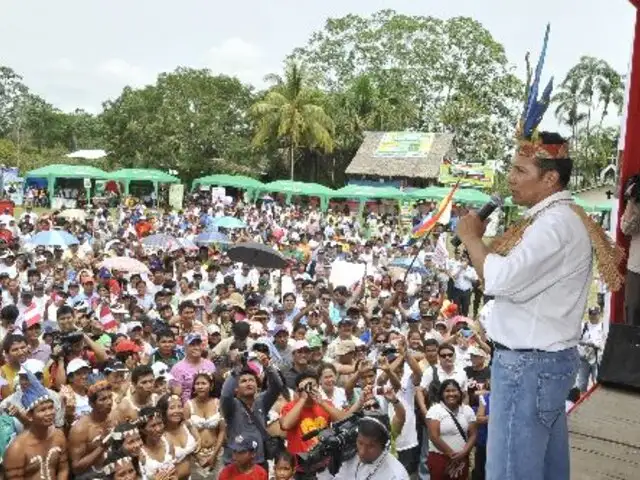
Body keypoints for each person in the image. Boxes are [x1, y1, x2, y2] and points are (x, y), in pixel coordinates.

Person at [456, 128, 623, 478]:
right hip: (540, 366)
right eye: (512, 168)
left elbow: (499, 280)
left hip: (527, 369)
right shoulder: (558, 218)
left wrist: (472, 238)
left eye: (520, 171)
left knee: (511, 472)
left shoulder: (553, 225)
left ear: (549, 178)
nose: (511, 178)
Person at [3, 371, 70, 479]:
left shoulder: (59, 436)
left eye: (50, 407)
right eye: (43, 410)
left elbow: (63, 468)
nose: (49, 413)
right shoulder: (17, 449)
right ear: (30, 415)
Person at [426, 379, 477, 480]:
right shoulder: (435, 410)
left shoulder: (467, 410)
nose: (451, 394)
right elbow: (433, 436)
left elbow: (473, 435)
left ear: (460, 392)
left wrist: (464, 453)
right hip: (440, 459)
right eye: (447, 391)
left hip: (462, 459)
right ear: (442, 393)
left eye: (454, 390)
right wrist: (451, 454)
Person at [332, 415, 409, 480]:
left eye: (371, 446)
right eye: (360, 443)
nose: (362, 452)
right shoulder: (352, 456)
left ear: (384, 446)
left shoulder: (396, 476)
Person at [68, 381, 114, 478]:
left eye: (110, 397)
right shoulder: (80, 429)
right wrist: (102, 446)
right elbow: (76, 468)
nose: (109, 402)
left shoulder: (114, 419)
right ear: (91, 404)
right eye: (103, 399)